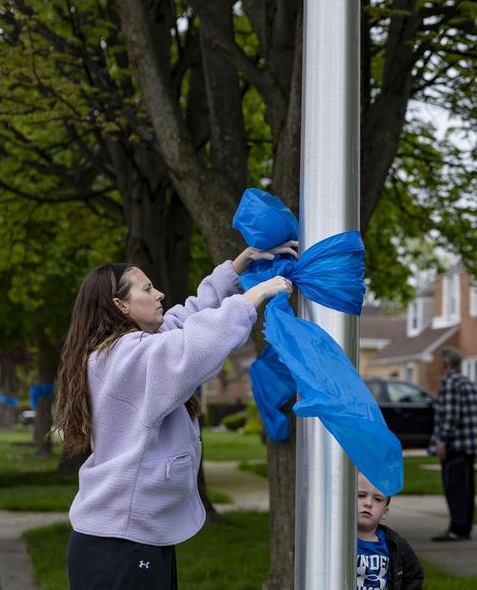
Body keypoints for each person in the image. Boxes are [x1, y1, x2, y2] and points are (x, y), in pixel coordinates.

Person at [56, 241, 297, 590]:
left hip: (132, 536)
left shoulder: (128, 350)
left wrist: (237, 268)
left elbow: (187, 319)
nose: (160, 293)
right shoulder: (124, 358)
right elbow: (192, 346)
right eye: (148, 288)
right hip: (121, 544)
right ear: (120, 305)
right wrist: (252, 297)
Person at [428, 347, 477, 542]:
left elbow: (451, 415)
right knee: (466, 489)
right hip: (469, 445)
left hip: (456, 445)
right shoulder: (467, 382)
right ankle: (464, 528)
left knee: (455, 488)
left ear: (445, 364)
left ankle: (456, 529)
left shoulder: (450, 382)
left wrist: (442, 440)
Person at [356, 472, 424, 590]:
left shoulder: (397, 546)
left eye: (377, 499)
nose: (368, 503)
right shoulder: (335, 542)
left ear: (385, 512)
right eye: (361, 495)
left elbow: (413, 578)